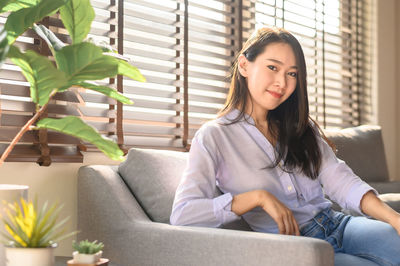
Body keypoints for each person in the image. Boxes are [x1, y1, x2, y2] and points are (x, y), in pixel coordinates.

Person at [170, 27, 400, 265]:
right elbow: (183, 215)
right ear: (244, 65)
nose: (282, 82)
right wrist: (257, 198)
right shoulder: (214, 136)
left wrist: (394, 219)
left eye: (292, 74)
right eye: (273, 67)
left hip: (339, 224)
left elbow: (341, 181)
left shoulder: (300, 127)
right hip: (298, 249)